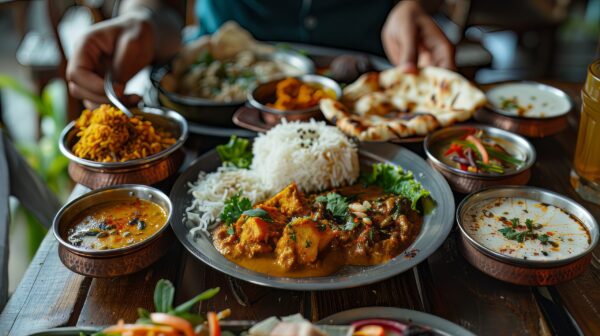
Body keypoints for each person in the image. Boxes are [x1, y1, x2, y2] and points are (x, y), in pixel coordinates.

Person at [67, 0, 455, 109]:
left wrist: (414, 6)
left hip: (372, 97)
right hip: (204, 123)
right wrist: (144, 23)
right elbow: (160, 8)